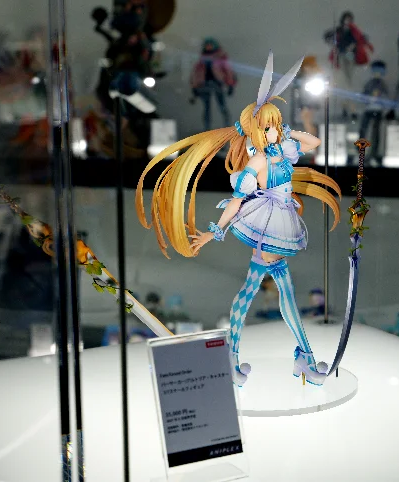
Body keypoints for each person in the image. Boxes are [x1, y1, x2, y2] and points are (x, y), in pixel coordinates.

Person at [136, 54, 342, 387]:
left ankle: (255, 358)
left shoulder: (283, 149)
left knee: (263, 292)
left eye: (276, 124)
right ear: (258, 131)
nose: (275, 130)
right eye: (269, 126)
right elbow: (236, 200)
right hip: (268, 225)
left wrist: (287, 129)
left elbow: (314, 142)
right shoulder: (258, 161)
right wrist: (214, 231)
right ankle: (277, 358)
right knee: (267, 292)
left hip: (279, 221)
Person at [325, 12, 373, 117]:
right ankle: (350, 108)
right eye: (346, 19)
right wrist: (336, 46)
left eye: (349, 19)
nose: (347, 21)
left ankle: (347, 107)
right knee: (346, 83)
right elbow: (329, 37)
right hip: (342, 56)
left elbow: (358, 39)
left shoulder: (353, 30)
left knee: (348, 82)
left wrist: (352, 46)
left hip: (350, 56)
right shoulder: (340, 30)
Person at [189, 38, 236, 131]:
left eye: (210, 46)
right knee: (207, 108)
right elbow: (196, 74)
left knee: (222, 106)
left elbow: (228, 72)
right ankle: (207, 128)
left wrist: (230, 85)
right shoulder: (202, 59)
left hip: (217, 84)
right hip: (205, 85)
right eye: (207, 46)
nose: (208, 47)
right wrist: (194, 87)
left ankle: (227, 126)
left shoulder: (221, 58)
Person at [359, 60, 390, 161]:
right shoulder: (369, 83)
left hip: (378, 110)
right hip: (368, 109)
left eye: (379, 71)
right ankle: (361, 152)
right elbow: (363, 96)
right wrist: (369, 99)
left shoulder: (382, 84)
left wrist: (379, 100)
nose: (377, 73)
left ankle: (374, 154)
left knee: (375, 132)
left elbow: (386, 97)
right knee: (363, 130)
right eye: (375, 71)